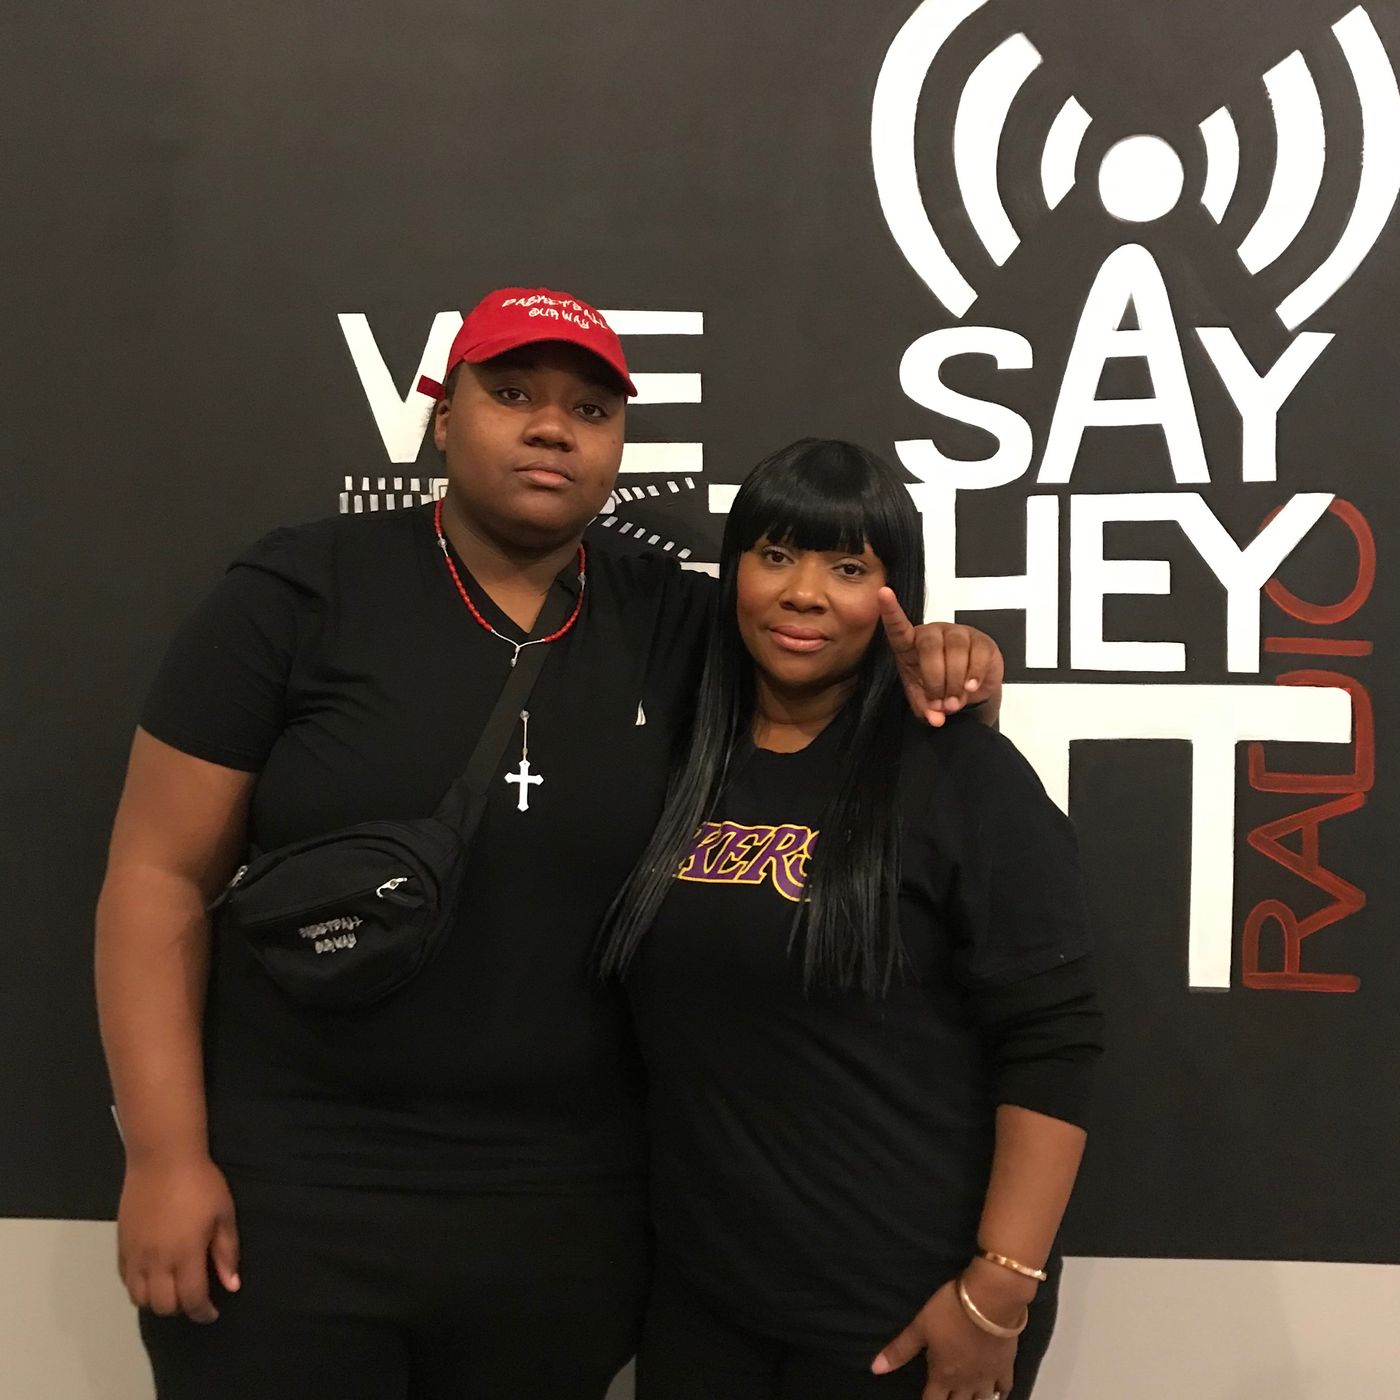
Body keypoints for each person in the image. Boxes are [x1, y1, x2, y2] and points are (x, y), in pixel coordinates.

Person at [94, 290, 1008, 1400]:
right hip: (294, 1191)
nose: (550, 428)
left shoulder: (682, 623)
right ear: (442, 416)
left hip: (566, 1214)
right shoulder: (297, 595)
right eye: (513, 392)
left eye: (588, 408)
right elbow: (157, 876)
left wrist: (949, 669)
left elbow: (834, 695)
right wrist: (163, 1155)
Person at [602, 438, 1103, 1400]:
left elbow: (1053, 1037)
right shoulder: (680, 765)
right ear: (734, 573)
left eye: (847, 567)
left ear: (892, 593)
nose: (804, 594)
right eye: (776, 555)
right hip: (705, 1307)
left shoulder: (962, 772)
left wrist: (998, 1292)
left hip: (901, 1315)